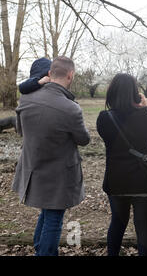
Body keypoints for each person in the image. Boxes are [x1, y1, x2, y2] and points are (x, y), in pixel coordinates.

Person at [12, 56, 90, 256]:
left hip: (34, 169)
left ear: (49, 74)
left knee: (47, 213)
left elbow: (21, 130)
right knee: (54, 218)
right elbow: (84, 139)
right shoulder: (71, 108)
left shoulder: (26, 99)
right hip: (60, 176)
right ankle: (45, 252)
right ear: (70, 75)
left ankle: (40, 248)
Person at [96, 73, 147, 256]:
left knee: (117, 222)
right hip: (142, 179)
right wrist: (146, 109)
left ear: (112, 93)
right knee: (143, 226)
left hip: (116, 181)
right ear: (135, 93)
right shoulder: (143, 116)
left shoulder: (104, 118)